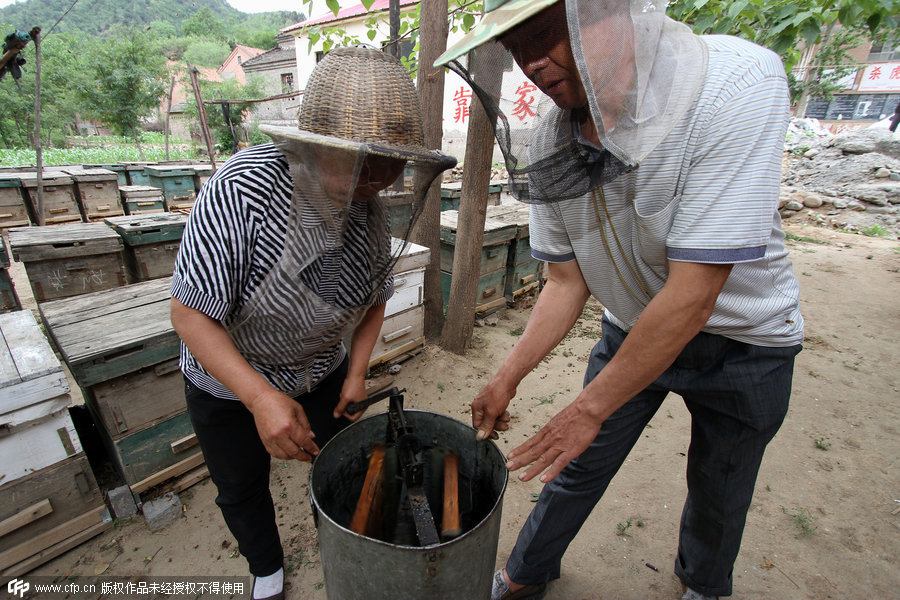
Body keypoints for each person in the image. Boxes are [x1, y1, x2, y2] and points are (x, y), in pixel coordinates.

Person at [434, 1, 804, 599]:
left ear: (615, 12)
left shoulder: (735, 82)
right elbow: (564, 281)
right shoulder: (553, 133)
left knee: (720, 481)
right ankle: (526, 573)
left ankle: (703, 586)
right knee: (575, 463)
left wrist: (586, 409)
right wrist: (506, 378)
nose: (531, 62)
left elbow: (694, 292)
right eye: (514, 47)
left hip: (745, 343)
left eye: (547, 34)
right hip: (633, 328)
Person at [170, 47, 455, 600]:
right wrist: (258, 398)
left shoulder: (368, 205)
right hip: (231, 379)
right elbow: (190, 313)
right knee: (240, 485)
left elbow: (375, 297)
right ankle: (266, 570)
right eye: (360, 162)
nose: (375, 178)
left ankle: (353, 536)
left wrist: (355, 373)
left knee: (345, 462)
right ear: (310, 146)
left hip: (323, 370)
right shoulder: (242, 190)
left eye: (390, 163)